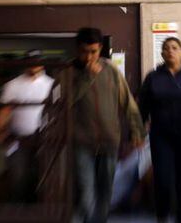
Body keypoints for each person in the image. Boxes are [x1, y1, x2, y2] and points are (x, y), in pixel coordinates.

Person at [52, 27, 145, 222]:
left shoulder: (111, 70)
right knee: (86, 194)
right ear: (78, 49)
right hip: (81, 142)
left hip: (109, 140)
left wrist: (137, 130)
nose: (89, 57)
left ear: (100, 48)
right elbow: (62, 104)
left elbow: (127, 101)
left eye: (93, 52)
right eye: (85, 51)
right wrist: (87, 76)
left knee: (105, 192)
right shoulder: (67, 72)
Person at [139, 37, 181, 223]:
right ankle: (162, 216)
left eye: (175, 48)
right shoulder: (153, 77)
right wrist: (137, 131)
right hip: (161, 136)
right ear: (161, 53)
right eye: (166, 48)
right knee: (163, 179)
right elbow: (143, 106)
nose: (170, 51)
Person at [0, 49, 54, 203]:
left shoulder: (52, 84)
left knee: (45, 177)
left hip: (44, 139)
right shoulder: (12, 85)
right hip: (18, 139)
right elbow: (4, 111)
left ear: (41, 63)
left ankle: (42, 213)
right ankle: (18, 213)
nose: (34, 65)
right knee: (17, 178)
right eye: (30, 61)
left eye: (36, 61)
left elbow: (57, 111)